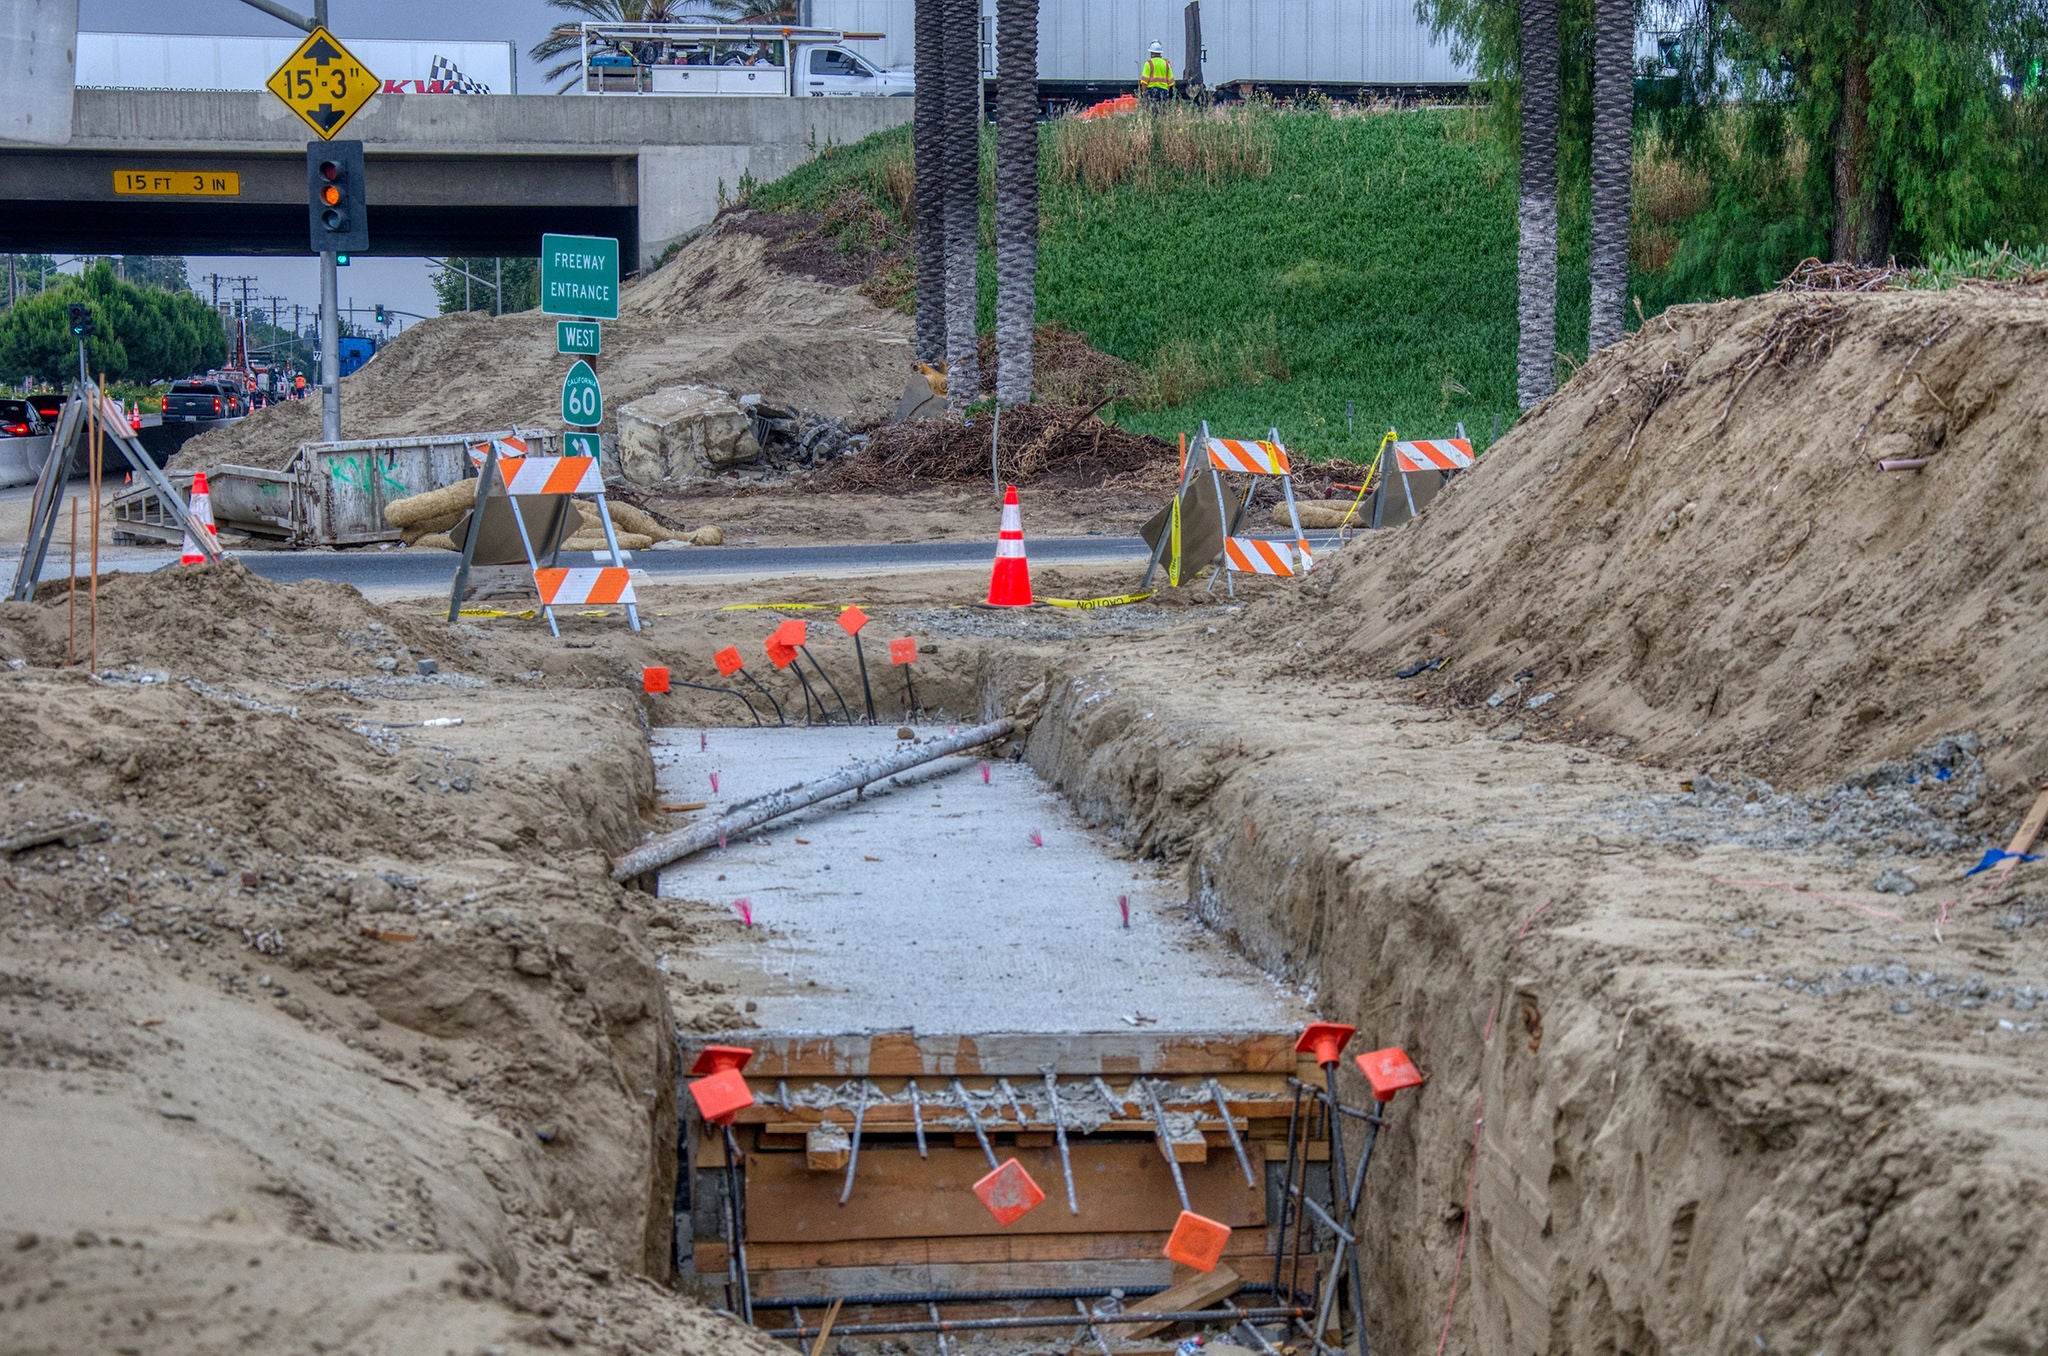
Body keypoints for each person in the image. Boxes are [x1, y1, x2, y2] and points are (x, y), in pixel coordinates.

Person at [1140, 40, 1174, 106]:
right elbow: (1171, 82)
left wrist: (1144, 93)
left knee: (1151, 113)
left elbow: (1144, 82)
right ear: (1160, 53)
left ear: (1152, 53)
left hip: (1151, 92)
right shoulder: (1166, 64)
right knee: (1162, 112)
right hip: (1164, 92)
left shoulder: (1148, 63)